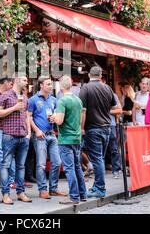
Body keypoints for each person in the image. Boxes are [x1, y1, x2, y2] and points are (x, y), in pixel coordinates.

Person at [79, 65, 117, 198]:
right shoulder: (107, 88)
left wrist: (81, 127)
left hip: (93, 128)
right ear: (101, 76)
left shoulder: (86, 88)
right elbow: (114, 106)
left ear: (89, 75)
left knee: (97, 159)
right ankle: (97, 186)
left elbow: (82, 111)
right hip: (106, 127)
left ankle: (100, 188)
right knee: (99, 158)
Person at [0, 73, 32, 204]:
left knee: (21, 166)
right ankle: (5, 194)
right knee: (5, 165)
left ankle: (21, 192)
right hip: (9, 135)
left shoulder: (25, 97)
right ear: (16, 80)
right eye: (24, 80)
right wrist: (14, 108)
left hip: (23, 136)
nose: (26, 82)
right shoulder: (5, 95)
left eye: (27, 80)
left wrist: (29, 133)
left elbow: (27, 116)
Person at [28, 76, 66, 199]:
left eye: (51, 84)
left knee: (57, 162)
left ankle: (53, 188)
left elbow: (56, 113)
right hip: (40, 135)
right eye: (48, 84)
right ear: (41, 85)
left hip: (52, 134)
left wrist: (54, 117)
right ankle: (42, 190)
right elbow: (28, 117)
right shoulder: (33, 100)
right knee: (41, 164)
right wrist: (37, 130)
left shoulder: (53, 99)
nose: (51, 86)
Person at [54, 75, 88, 205]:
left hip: (66, 138)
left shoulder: (62, 101)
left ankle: (74, 196)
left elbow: (60, 120)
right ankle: (82, 194)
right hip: (77, 137)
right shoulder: (77, 100)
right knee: (77, 166)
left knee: (69, 168)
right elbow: (80, 120)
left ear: (61, 86)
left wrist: (53, 118)